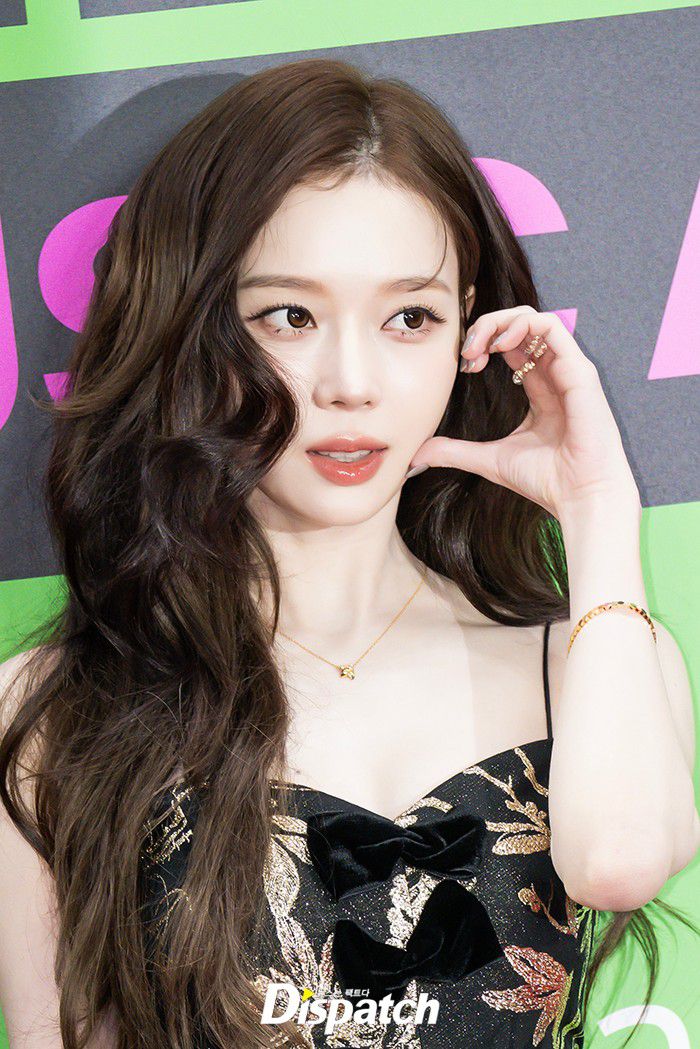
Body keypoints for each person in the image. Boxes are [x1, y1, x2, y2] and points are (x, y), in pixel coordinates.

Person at [1, 56, 698, 1049]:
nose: (353, 381)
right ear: (195, 330)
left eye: (410, 317)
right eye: (289, 315)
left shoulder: (589, 659)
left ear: (470, 332)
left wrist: (596, 511)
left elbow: (618, 866)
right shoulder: (56, 712)